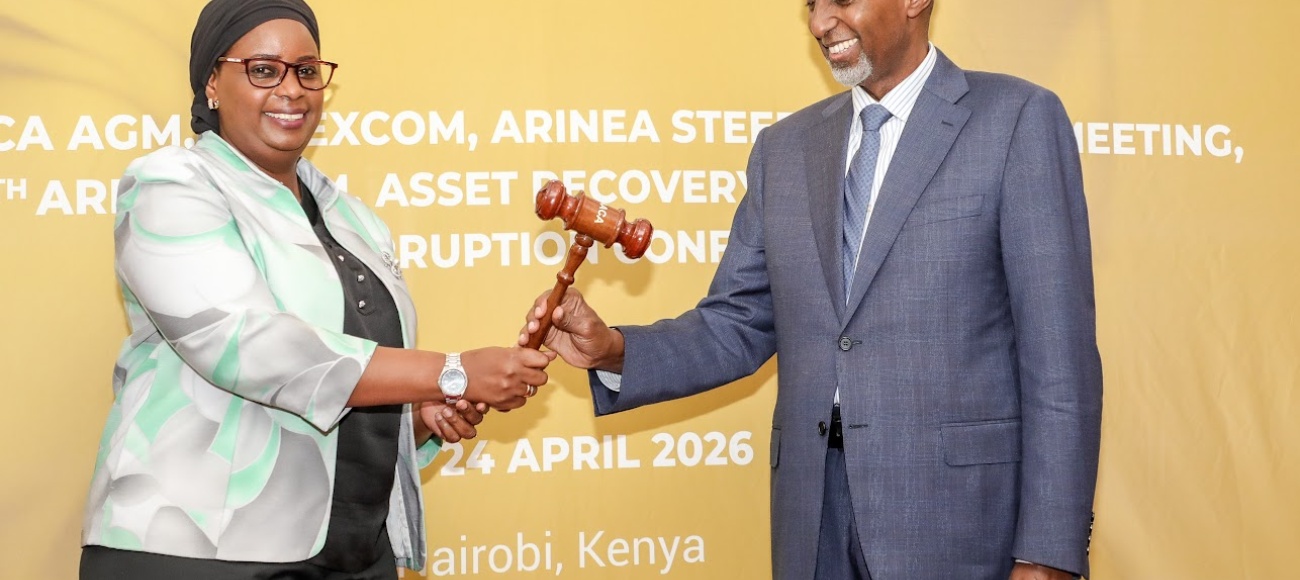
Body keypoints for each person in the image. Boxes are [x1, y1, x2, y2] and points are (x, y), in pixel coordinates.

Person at [522, 1, 1102, 579]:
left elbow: (1061, 359)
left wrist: (1047, 553)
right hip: (811, 517)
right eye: (811, 4)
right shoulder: (784, 149)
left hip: (959, 523)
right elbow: (736, 323)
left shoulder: (1016, 120)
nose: (820, 22)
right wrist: (613, 349)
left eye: (841, 0)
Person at [79, 1, 552, 578]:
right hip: (194, 549)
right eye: (263, 70)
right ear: (212, 83)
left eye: (306, 71)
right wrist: (450, 372)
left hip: (352, 552)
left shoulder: (354, 218)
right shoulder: (171, 183)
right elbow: (250, 347)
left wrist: (419, 418)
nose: (292, 89)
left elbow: (342, 397)